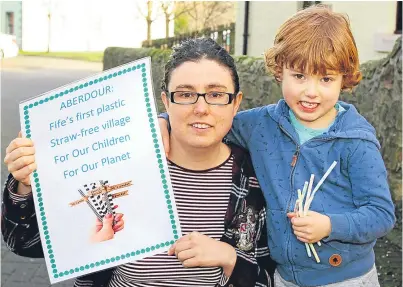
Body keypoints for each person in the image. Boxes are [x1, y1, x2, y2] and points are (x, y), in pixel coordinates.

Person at [2, 38, 275, 287]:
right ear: (165, 102)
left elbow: (270, 276)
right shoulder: (119, 161)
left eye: (216, 95)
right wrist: (25, 184)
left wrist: (230, 259)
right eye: (185, 94)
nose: (201, 108)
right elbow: (25, 243)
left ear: (236, 103)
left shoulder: (255, 178)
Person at [158, 5, 396, 287]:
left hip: (346, 278)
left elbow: (381, 214)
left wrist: (331, 226)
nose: (311, 91)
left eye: (326, 79)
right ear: (280, 71)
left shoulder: (356, 142)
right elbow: (210, 119)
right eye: (299, 76)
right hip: (283, 277)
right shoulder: (261, 125)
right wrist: (164, 121)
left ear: (344, 78)